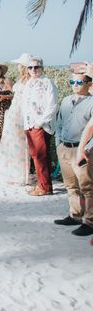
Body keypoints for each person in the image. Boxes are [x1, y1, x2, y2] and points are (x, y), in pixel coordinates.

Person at [53, 70, 93, 236]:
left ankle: (90, 221)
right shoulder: (66, 101)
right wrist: (58, 144)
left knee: (88, 187)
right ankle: (75, 215)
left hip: (82, 150)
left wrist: (86, 149)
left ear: (89, 84)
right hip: (64, 148)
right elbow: (60, 123)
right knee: (70, 185)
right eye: (72, 82)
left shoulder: (92, 102)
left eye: (79, 82)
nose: (75, 85)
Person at [21, 57, 58, 196]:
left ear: (42, 68)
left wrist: (40, 123)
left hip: (41, 125)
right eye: (30, 68)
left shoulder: (48, 83)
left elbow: (53, 105)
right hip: (29, 124)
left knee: (41, 156)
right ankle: (42, 184)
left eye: (36, 67)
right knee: (37, 156)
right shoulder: (29, 83)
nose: (33, 70)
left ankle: (44, 188)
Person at [0, 54, 33, 185]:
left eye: (19, 64)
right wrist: (9, 92)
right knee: (10, 142)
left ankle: (18, 174)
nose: (17, 66)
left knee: (19, 143)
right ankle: (9, 172)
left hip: (20, 113)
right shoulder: (21, 80)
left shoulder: (29, 81)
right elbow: (17, 96)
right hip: (13, 111)